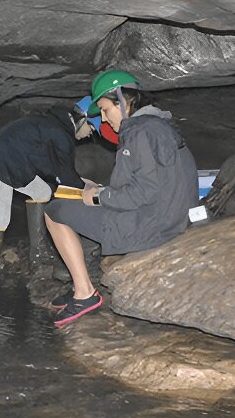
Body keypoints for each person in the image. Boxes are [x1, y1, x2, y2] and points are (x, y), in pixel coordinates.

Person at [44, 70, 198, 327]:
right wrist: (106, 191)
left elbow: (142, 192)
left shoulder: (137, 131)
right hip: (174, 220)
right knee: (78, 208)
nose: (104, 119)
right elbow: (154, 182)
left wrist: (96, 197)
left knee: (54, 210)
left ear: (122, 100)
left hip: (150, 226)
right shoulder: (160, 126)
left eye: (105, 110)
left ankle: (84, 294)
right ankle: (80, 283)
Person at [0, 98, 101, 284]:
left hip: (11, 162)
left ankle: (38, 251)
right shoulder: (59, 134)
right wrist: (87, 191)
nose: (89, 135)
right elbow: (66, 180)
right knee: (1, 218)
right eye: (91, 129)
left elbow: (54, 169)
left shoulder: (54, 126)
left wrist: (81, 183)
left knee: (42, 192)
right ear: (83, 120)